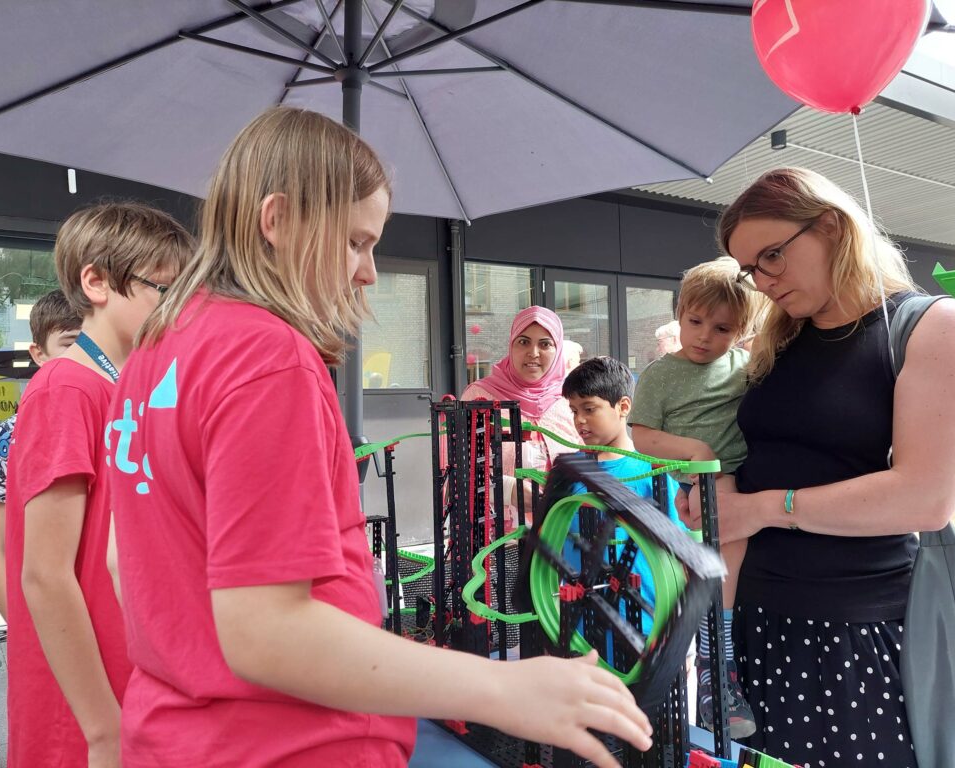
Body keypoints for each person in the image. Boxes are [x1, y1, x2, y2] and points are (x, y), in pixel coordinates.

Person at [105, 108, 652, 768]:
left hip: (175, 732)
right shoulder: (266, 357)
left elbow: (122, 563)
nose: (369, 271)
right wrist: (502, 688)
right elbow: (264, 633)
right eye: (356, 242)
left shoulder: (155, 349)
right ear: (276, 221)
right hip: (290, 742)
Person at [679, 167, 955, 767]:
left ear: (833, 227)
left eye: (773, 256)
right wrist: (707, 491)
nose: (763, 281)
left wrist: (758, 508)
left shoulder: (931, 324)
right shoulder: (778, 339)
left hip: (854, 630)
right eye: (751, 269)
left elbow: (926, 498)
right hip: (750, 621)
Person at [6, 203, 193, 768]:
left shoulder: (129, 387)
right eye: (165, 289)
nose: (178, 309)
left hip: (129, 682)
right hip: (83, 708)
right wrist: (102, 727)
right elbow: (44, 573)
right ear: (97, 282)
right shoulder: (66, 390)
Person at [630, 257, 760, 738]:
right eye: (695, 321)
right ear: (680, 314)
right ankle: (710, 659)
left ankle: (715, 655)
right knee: (713, 554)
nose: (705, 335)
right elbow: (640, 434)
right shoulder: (663, 374)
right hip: (694, 477)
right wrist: (696, 452)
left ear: (741, 329)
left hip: (736, 479)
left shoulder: (745, 366)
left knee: (725, 556)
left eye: (722, 327)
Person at [0, 289, 82, 619]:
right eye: (71, 344)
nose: (86, 358)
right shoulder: (13, 431)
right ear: (39, 353)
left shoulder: (126, 420)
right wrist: (30, 632)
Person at [562, 356, 682, 634]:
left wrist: (680, 639)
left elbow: (679, 552)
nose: (579, 420)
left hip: (645, 621)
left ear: (623, 407)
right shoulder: (568, 472)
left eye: (589, 408)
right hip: (580, 624)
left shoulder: (653, 470)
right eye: (573, 410)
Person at [461, 306, 580, 526]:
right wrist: (508, 489)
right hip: (496, 545)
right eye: (524, 342)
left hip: (563, 537)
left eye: (545, 344)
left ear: (558, 349)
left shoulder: (571, 400)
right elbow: (454, 472)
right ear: (511, 345)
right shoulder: (479, 397)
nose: (533, 353)